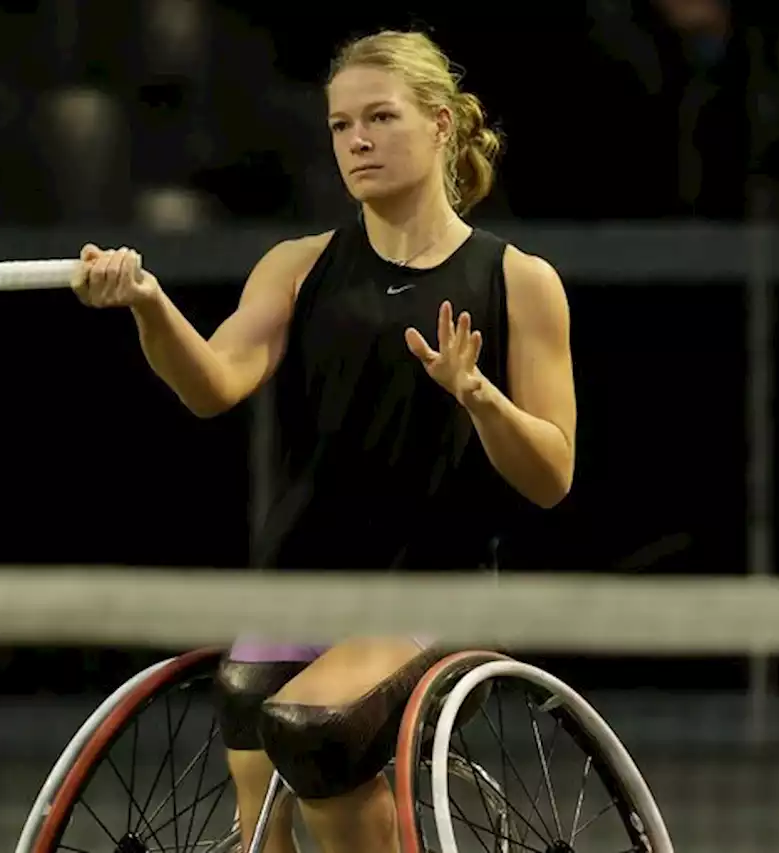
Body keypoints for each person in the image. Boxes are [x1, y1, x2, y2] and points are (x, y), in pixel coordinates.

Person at [69, 28, 576, 853]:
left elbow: (552, 473)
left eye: (379, 117)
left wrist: (479, 395)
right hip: (302, 580)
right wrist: (150, 305)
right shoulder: (297, 268)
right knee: (248, 693)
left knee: (314, 726)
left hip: (435, 598)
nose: (357, 141)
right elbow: (211, 384)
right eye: (341, 126)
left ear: (442, 125)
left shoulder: (518, 281)